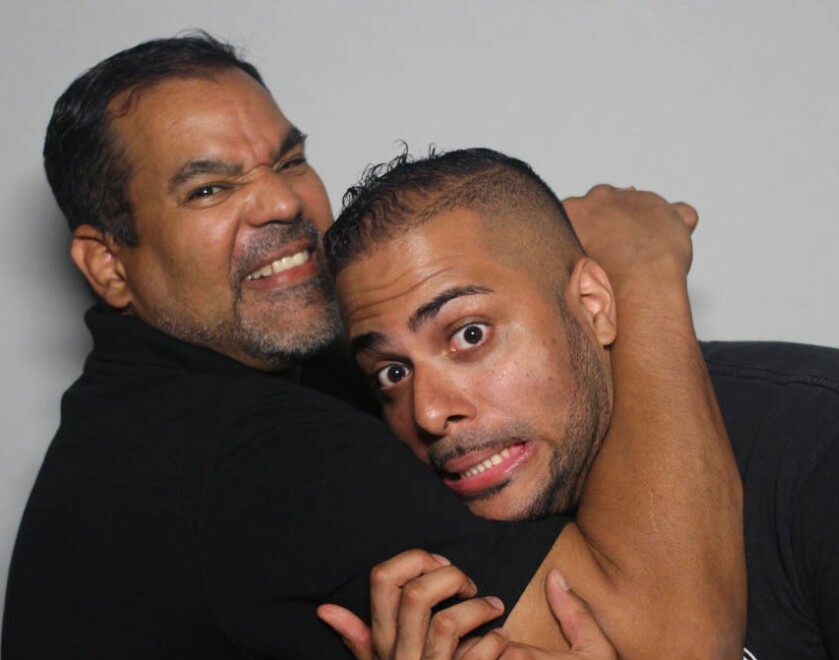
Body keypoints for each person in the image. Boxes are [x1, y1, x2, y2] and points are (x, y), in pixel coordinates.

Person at [1, 34, 744, 659]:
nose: (283, 202)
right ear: (109, 264)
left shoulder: (222, 382)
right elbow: (675, 642)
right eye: (208, 190)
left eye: (289, 161)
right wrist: (643, 271)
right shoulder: (249, 452)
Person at [322, 147, 839, 660]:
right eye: (392, 372)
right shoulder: (436, 562)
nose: (428, 413)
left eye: (470, 335)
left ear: (593, 304)